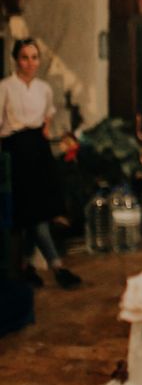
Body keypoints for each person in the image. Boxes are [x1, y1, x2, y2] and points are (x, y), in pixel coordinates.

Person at [0, 38, 81, 289]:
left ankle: (26, 265)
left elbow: (46, 122)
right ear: (16, 60)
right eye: (25, 57)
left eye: (34, 57)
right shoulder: (4, 87)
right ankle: (57, 267)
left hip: (38, 149)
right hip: (15, 149)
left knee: (41, 211)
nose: (30, 62)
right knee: (33, 213)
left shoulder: (44, 89)